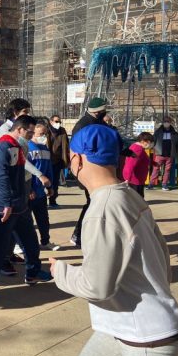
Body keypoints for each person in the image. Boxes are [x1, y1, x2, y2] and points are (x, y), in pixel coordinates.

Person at [50, 124, 178, 356]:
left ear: (78, 160)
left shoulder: (102, 209)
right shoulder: (128, 195)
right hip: (122, 328)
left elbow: (98, 287)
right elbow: (163, 257)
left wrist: (60, 272)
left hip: (147, 339)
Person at [0, 115, 53, 302]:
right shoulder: (3, 147)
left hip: (20, 205)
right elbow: (0, 178)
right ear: (19, 130)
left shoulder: (18, 146)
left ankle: (32, 273)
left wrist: (33, 186)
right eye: (30, 132)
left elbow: (23, 172)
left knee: (31, 243)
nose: (33, 135)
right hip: (5, 207)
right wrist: (7, 203)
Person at [70, 97, 111, 247]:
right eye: (103, 110)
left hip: (99, 167)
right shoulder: (84, 124)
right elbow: (77, 148)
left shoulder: (97, 122)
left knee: (95, 203)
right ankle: (78, 234)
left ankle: (83, 234)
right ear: (98, 111)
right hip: (89, 168)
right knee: (93, 203)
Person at [28, 123, 55, 250]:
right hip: (30, 192)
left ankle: (45, 241)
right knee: (26, 221)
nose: (43, 136)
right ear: (33, 133)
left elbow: (49, 169)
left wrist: (51, 186)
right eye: (40, 134)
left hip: (41, 192)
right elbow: (25, 171)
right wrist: (29, 189)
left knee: (43, 219)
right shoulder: (27, 148)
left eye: (45, 134)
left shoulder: (45, 149)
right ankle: (19, 244)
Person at [150, 117, 178, 191]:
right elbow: (153, 141)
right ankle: (151, 184)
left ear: (170, 122)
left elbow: (177, 144)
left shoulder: (174, 133)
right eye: (165, 121)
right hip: (159, 154)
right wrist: (153, 148)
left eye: (168, 121)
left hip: (170, 155)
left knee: (167, 170)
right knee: (156, 169)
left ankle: (164, 184)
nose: (166, 123)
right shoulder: (157, 132)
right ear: (163, 122)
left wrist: (176, 152)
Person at [122, 132, 153, 198]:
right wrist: (128, 178)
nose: (150, 144)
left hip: (137, 179)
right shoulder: (138, 149)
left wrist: (153, 163)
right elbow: (130, 164)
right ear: (143, 141)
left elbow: (143, 159)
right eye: (149, 142)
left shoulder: (136, 147)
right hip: (135, 180)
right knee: (137, 201)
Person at [48, 114, 69, 208]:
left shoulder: (62, 131)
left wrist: (67, 160)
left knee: (55, 182)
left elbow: (66, 145)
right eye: (56, 121)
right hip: (47, 161)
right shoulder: (46, 131)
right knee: (46, 182)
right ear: (51, 122)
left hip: (57, 161)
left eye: (59, 121)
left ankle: (53, 201)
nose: (58, 123)